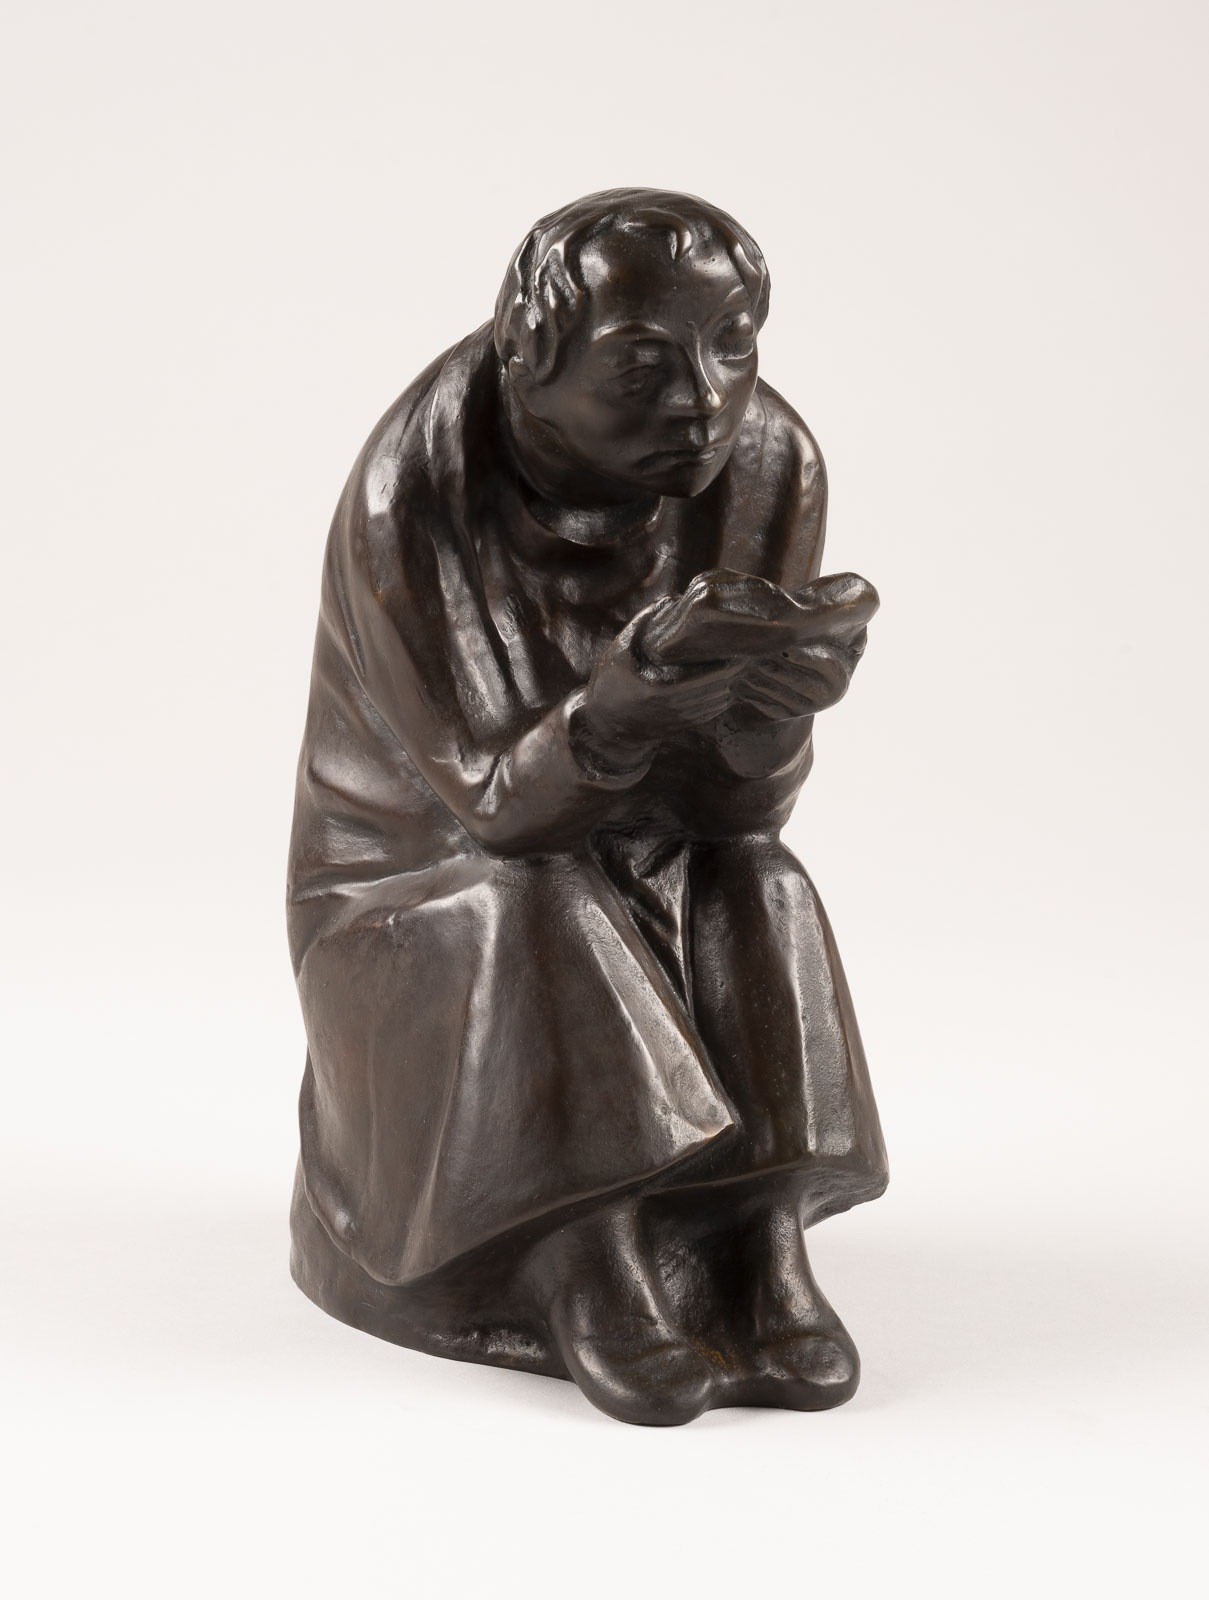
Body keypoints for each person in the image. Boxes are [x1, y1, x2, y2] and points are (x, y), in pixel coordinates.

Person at [287, 189, 888, 1425]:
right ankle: (586, 1257)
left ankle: (758, 1243)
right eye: (642, 366)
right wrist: (616, 711)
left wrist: (774, 716)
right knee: (540, 888)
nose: (703, 401)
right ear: (530, 355)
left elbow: (739, 815)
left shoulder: (767, 463)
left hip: (649, 853)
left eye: (730, 346)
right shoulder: (419, 492)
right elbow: (493, 810)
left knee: (758, 881)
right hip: (417, 894)